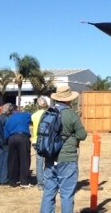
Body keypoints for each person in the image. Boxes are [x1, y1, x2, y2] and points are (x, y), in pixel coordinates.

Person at [41, 85, 87, 213]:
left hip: (50, 156)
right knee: (67, 194)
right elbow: (82, 135)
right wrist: (72, 135)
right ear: (69, 99)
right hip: (67, 158)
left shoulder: (48, 112)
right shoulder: (71, 114)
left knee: (49, 192)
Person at [4, 106, 33, 187]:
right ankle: (24, 181)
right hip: (23, 136)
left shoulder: (9, 119)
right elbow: (33, 119)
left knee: (12, 160)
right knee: (24, 159)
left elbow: (5, 131)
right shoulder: (26, 115)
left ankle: (12, 181)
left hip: (11, 138)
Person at [31, 96, 48, 190]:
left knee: (39, 162)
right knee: (48, 162)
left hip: (36, 140)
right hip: (47, 140)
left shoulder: (34, 115)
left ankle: (40, 184)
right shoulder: (48, 114)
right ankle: (47, 181)